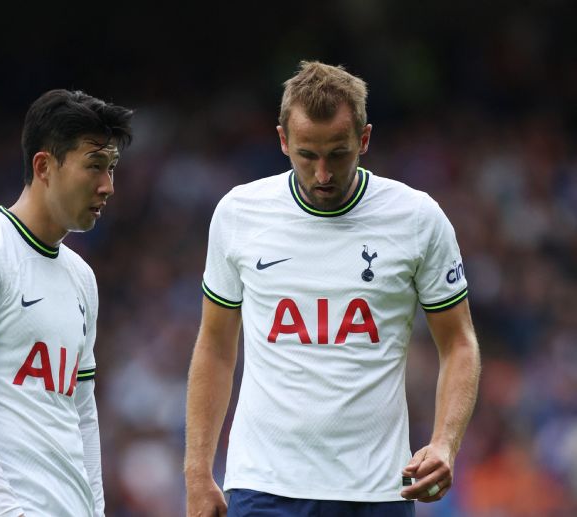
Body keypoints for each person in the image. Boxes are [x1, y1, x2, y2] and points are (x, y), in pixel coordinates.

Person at [184, 61, 481, 516]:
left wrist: (445, 442)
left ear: (364, 139)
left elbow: (459, 342)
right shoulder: (238, 214)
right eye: (307, 155)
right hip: (264, 485)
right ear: (283, 140)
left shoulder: (417, 219)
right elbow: (215, 346)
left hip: (377, 489)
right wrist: (197, 473)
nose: (322, 174)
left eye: (338, 154)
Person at [0, 89, 132, 517]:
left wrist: (95, 510)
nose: (108, 186)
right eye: (95, 165)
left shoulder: (82, 278)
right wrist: (5, 511)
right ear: (44, 166)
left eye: (112, 168)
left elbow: (83, 413)